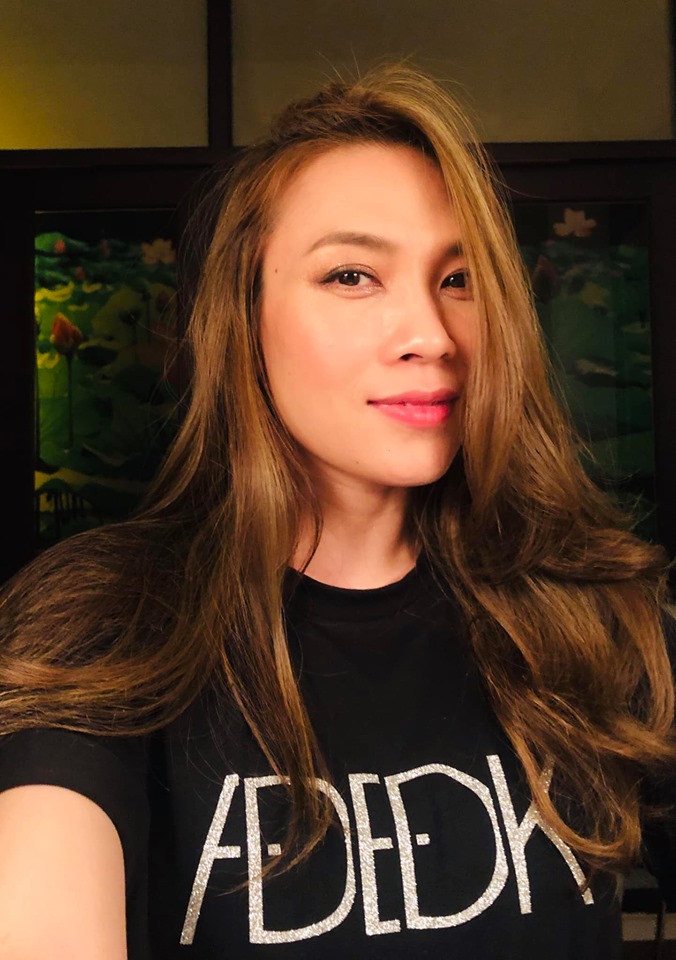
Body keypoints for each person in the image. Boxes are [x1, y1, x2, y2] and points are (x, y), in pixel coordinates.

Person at [0, 64, 674, 960]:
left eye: (459, 278)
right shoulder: (107, 616)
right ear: (243, 318)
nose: (431, 335)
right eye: (352, 275)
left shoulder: (589, 611)